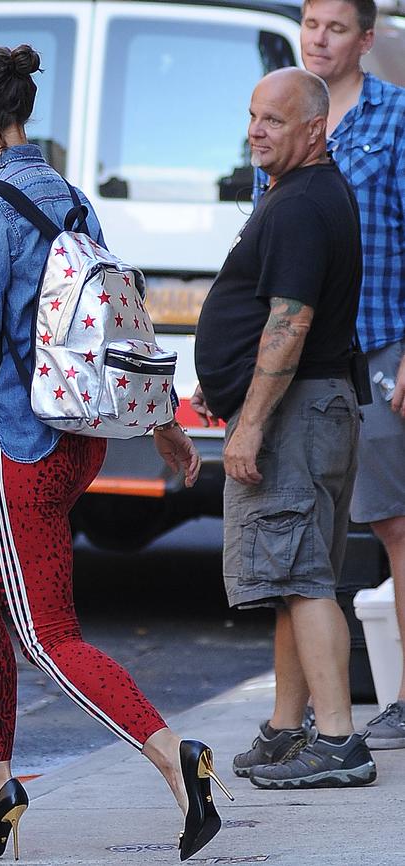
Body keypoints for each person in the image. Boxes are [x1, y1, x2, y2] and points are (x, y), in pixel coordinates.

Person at [0, 44, 231, 862]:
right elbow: (118, 320)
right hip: (79, 439)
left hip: (25, 447)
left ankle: (176, 758)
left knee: (48, 632)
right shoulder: (66, 193)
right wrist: (160, 418)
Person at [192, 66, 377, 789]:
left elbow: (291, 321)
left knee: (301, 580)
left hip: (296, 416)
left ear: (313, 129)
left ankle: (337, 743)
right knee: (299, 578)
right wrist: (225, 383)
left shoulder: (301, 203)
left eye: (272, 119)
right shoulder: (307, 194)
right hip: (315, 407)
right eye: (251, 115)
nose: (255, 129)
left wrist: (249, 426)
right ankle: (285, 726)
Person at [300, 0, 405, 751]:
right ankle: (307, 708)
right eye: (310, 23)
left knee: (395, 525)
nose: (319, 39)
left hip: (379, 350)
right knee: (311, 532)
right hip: (305, 359)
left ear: (367, 39)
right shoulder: (290, 111)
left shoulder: (395, 119)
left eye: (336, 27)